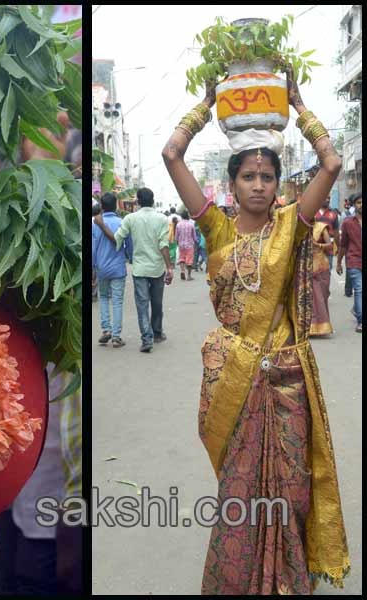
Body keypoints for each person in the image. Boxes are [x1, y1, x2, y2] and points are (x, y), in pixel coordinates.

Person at [162, 66, 349, 593]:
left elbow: (332, 163)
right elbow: (172, 156)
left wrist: (299, 103)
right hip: (233, 381)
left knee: (291, 490)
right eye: (249, 176)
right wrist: (203, 106)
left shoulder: (292, 225)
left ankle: (287, 579)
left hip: (287, 381)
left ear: (278, 182)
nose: (260, 185)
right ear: (234, 182)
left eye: (268, 177)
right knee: (239, 492)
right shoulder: (215, 227)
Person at [96, 187, 172, 352]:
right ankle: (157, 333)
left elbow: (117, 240)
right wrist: (169, 267)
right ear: (152, 201)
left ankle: (146, 339)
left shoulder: (130, 219)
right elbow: (164, 245)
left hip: (139, 269)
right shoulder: (162, 219)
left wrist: (102, 225)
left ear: (137, 201)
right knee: (157, 303)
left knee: (142, 305)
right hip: (157, 268)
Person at [92, 192, 130, 347]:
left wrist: (93, 268)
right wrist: (130, 257)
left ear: (101, 206)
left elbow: (93, 249)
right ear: (116, 205)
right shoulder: (122, 222)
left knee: (104, 298)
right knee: (117, 301)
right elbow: (127, 245)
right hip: (118, 268)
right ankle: (116, 336)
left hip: (102, 268)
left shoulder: (95, 224)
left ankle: (106, 330)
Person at [336, 193, 362, 333]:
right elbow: (343, 245)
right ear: (354, 205)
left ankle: (356, 309)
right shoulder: (347, 223)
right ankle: (360, 322)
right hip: (354, 260)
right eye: (359, 202)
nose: (361, 205)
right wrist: (339, 263)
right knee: (359, 289)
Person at [309, 219, 334, 336]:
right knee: (309, 298)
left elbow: (330, 246)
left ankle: (322, 327)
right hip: (303, 266)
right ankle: (309, 328)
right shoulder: (297, 225)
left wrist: (317, 245)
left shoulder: (321, 227)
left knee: (321, 297)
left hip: (320, 267)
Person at [314, 197, 340, 271]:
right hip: (314, 248)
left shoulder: (334, 214)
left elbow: (336, 233)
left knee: (327, 273)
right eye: (325, 198)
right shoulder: (313, 211)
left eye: (329, 198)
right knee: (314, 274)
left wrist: (338, 248)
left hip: (328, 249)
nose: (328, 200)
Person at [174, 208, 197, 281]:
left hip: (181, 245)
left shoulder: (178, 224)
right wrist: (195, 242)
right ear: (188, 216)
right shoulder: (191, 224)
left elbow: (176, 236)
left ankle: (182, 271)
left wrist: (177, 242)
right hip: (189, 245)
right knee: (189, 260)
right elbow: (194, 236)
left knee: (181, 258)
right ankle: (189, 276)